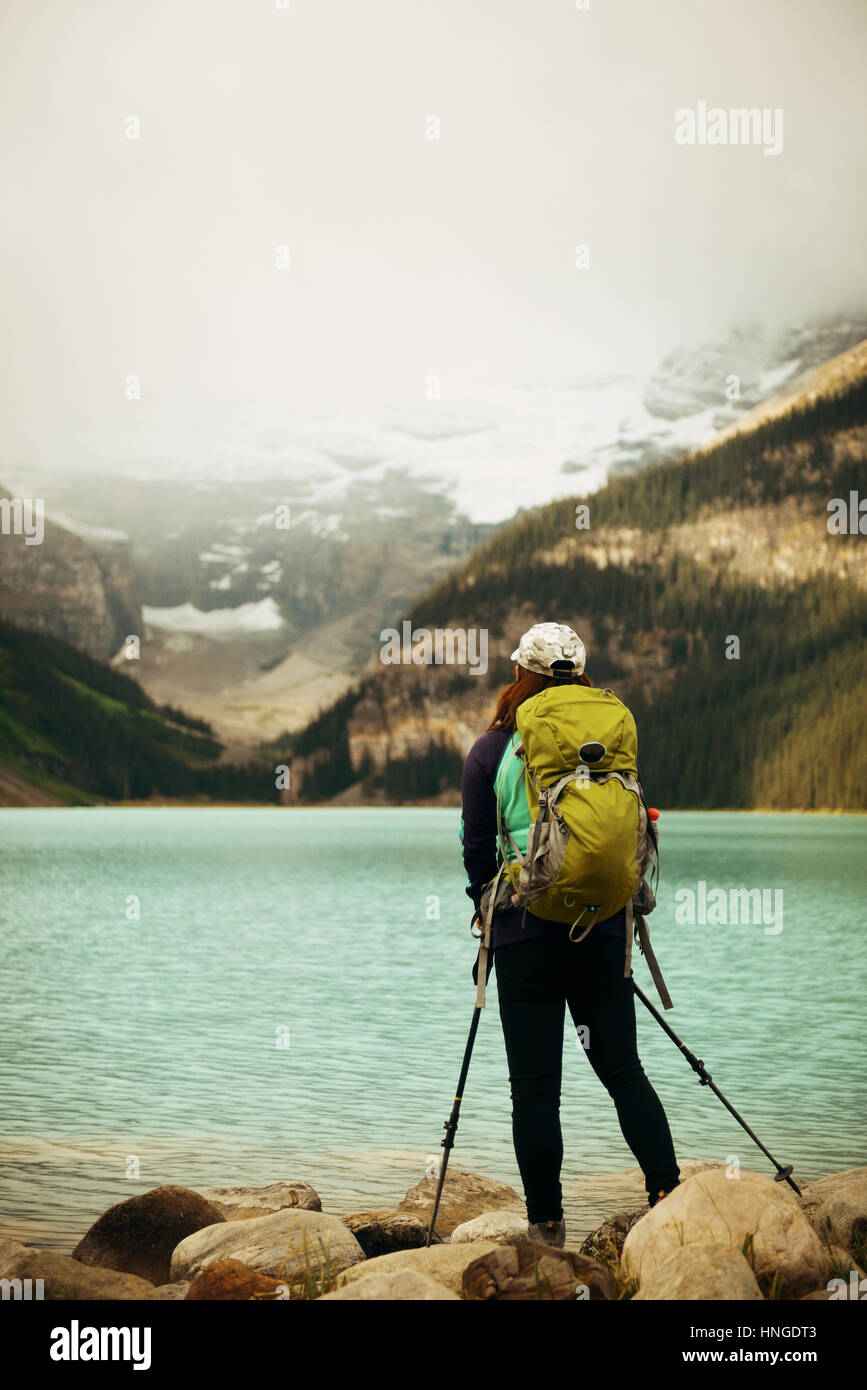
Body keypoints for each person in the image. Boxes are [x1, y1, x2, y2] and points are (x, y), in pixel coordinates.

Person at [459, 621, 680, 1246]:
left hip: (525, 930)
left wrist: (486, 908)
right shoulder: (608, 740)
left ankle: (547, 1227)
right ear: (581, 672)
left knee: (534, 1089)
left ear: (518, 674)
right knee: (623, 1069)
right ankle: (667, 1195)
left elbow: (477, 848)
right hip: (603, 925)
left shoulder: (491, 751)